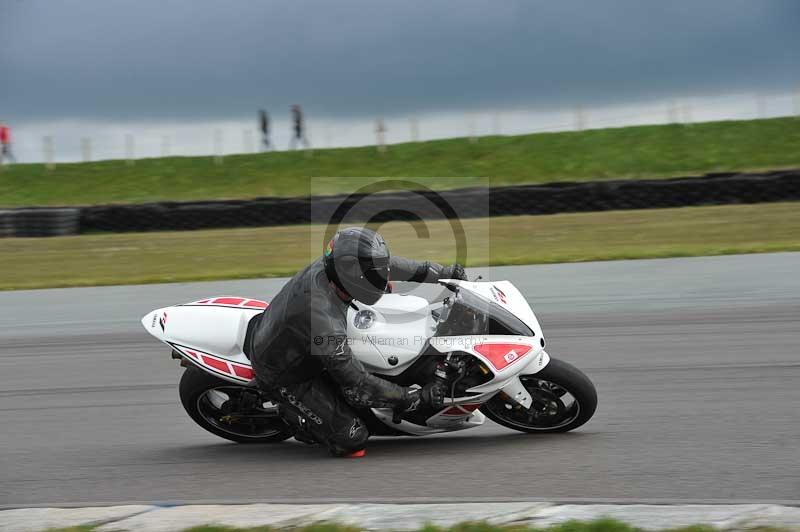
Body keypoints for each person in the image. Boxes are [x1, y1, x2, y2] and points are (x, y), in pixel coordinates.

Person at [247, 227, 467, 457]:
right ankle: (297, 419)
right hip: (286, 373)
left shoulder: (335, 269)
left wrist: (441, 273)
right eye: (374, 275)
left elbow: (389, 265)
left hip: (300, 336)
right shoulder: (324, 318)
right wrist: (411, 398)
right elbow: (356, 381)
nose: (382, 276)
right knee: (353, 439)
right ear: (353, 277)